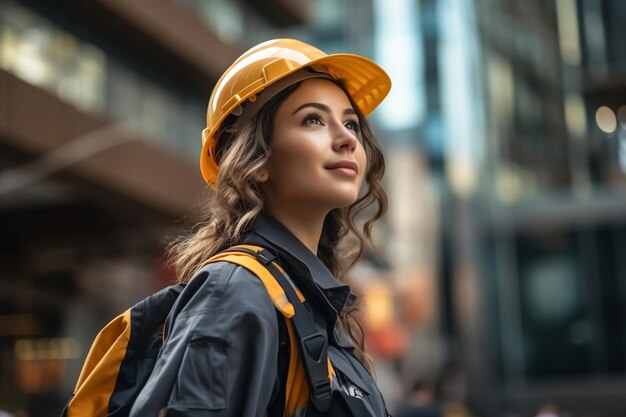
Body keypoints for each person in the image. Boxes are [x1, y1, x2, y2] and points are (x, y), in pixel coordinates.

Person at [129, 38, 392, 417]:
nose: (348, 138)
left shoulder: (306, 297)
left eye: (351, 123)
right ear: (258, 160)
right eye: (313, 119)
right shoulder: (234, 292)